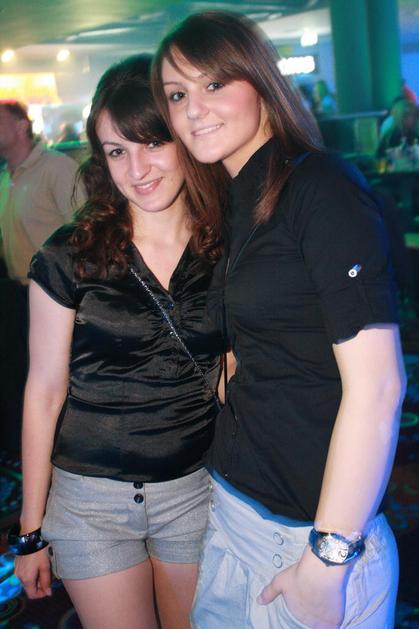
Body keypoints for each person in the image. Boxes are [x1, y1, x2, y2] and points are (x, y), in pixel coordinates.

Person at [152, 11, 407, 628]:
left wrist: (328, 558)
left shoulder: (320, 186)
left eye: (214, 84)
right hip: (235, 511)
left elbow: (379, 387)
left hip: (306, 540)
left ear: (261, 81)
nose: (193, 110)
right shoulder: (234, 200)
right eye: (177, 95)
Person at [12, 55, 223, 629]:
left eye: (152, 143)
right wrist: (30, 529)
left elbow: (234, 372)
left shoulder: (225, 247)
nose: (138, 169)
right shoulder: (70, 254)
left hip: (195, 489)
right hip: (91, 503)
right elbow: (44, 392)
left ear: (183, 138)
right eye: (116, 151)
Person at [0, 100, 85, 455]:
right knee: (23, 378)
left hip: (57, 297)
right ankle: (26, 453)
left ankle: (62, 453)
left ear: (21, 126)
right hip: (16, 294)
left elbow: (85, 228)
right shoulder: (7, 176)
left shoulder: (56, 168)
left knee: (57, 380)